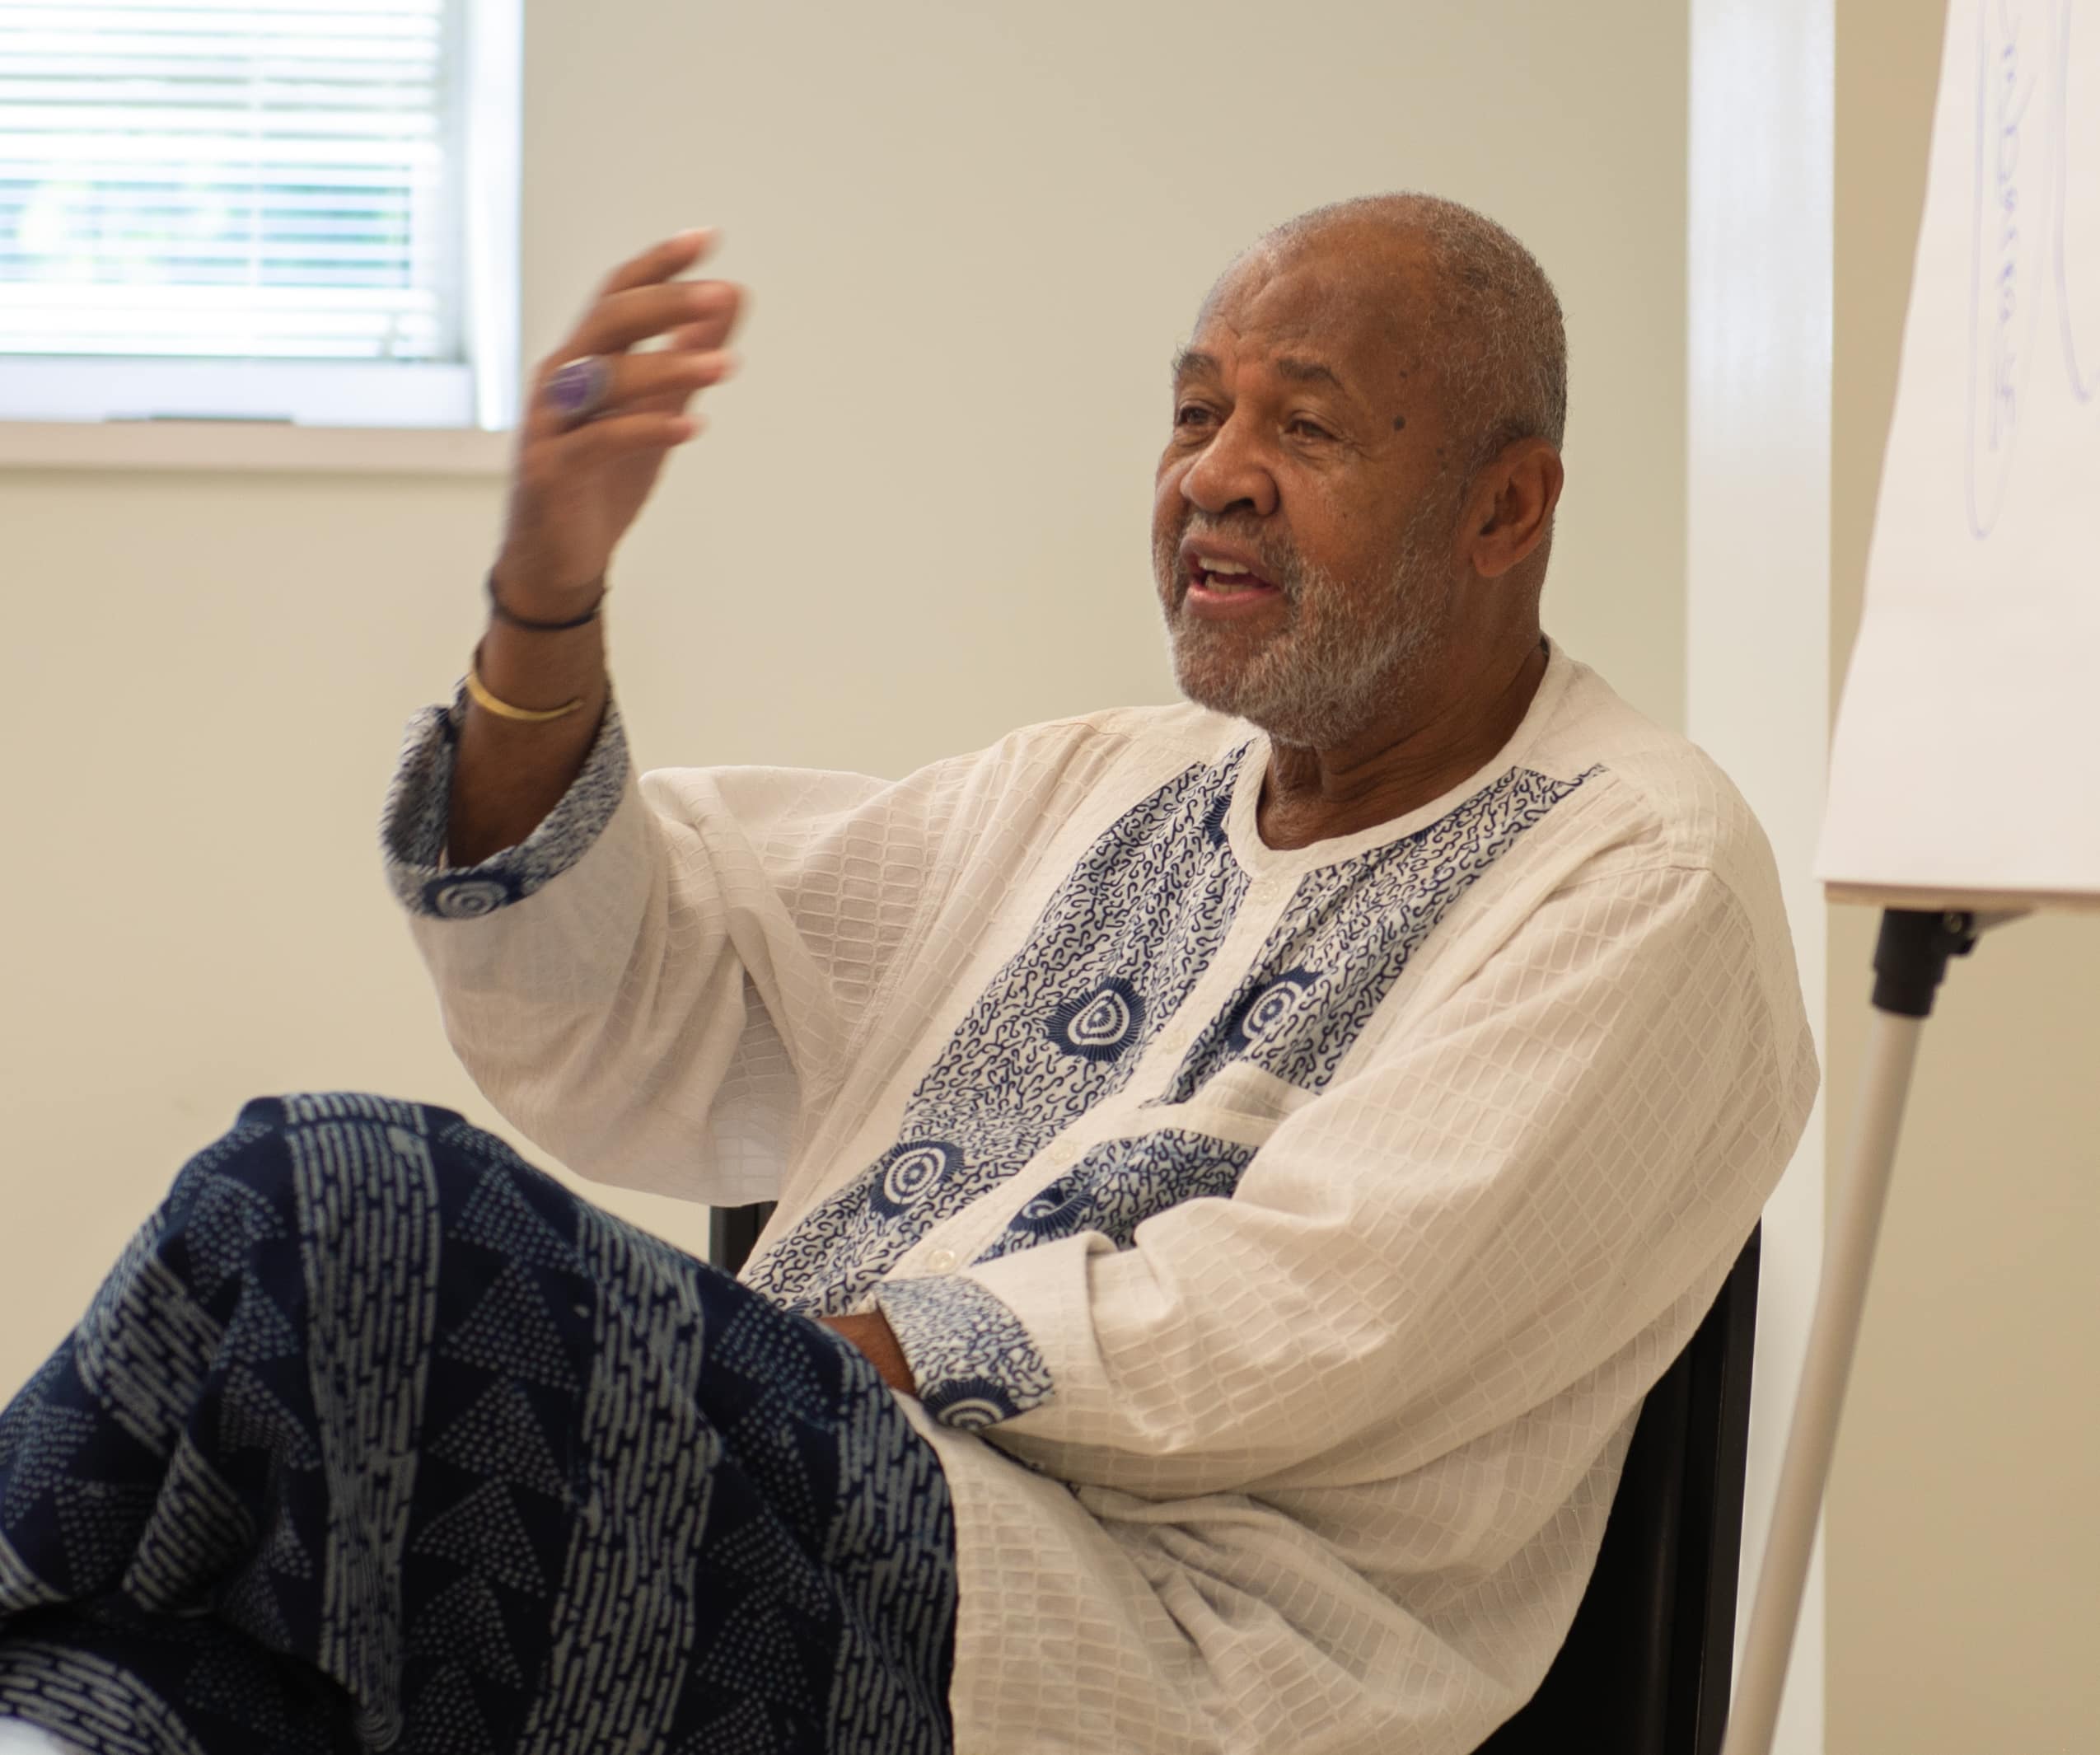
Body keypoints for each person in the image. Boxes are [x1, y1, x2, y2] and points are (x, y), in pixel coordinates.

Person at [0, 194, 1817, 1755]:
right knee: (174, 1656)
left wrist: (779, 1370)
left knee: (324, 1204)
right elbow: (649, 965)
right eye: (1193, 411)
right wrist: (544, 596)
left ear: (1508, 510)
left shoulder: (1634, 869)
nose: (1213, 474)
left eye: (1308, 427)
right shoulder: (1105, 792)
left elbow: (1318, 1313)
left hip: (1117, 1658)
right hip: (818, 1536)